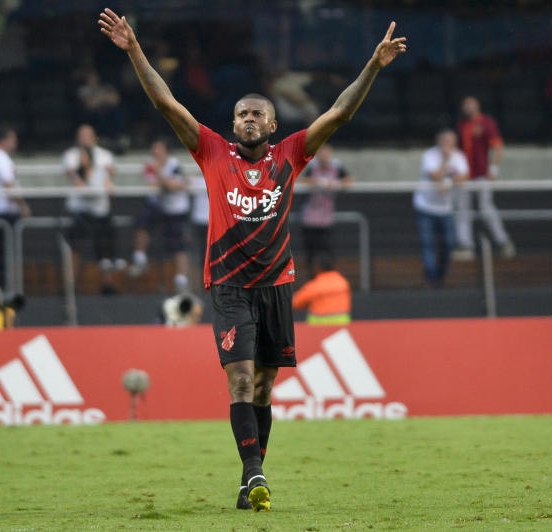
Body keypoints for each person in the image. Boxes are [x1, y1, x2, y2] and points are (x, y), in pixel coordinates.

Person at [99, 7, 406, 512]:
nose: (247, 120)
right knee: (240, 379)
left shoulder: (291, 154)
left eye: (256, 114)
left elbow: (339, 114)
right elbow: (165, 102)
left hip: (277, 286)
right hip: (228, 287)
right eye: (241, 114)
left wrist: (372, 66)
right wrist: (134, 49)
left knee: (264, 387)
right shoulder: (210, 151)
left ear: (272, 123)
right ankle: (254, 472)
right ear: (233, 123)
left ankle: (250, 481)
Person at [62, 124, 124, 294]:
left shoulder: (104, 155)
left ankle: (108, 284)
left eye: (88, 135)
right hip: (79, 211)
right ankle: (71, 285)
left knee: (105, 247)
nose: (85, 138)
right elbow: (74, 177)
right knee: (74, 245)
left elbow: (110, 177)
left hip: (101, 211)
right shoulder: (71, 155)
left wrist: (103, 179)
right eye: (81, 135)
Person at [454, 96, 514, 260]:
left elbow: (497, 146)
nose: (468, 108)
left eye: (470, 104)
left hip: (481, 175)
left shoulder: (486, 122)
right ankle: (465, 245)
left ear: (477, 106)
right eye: (465, 105)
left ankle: (503, 241)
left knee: (486, 208)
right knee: (462, 210)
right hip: (464, 176)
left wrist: (493, 169)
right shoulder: (461, 125)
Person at [129, 139, 191, 291]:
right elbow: (153, 184)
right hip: (160, 206)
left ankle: (181, 279)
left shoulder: (174, 164)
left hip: (177, 209)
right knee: (142, 221)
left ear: (166, 151)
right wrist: (164, 180)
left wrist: (160, 175)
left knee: (178, 245)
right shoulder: (150, 164)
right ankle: (140, 258)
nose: (155, 153)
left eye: (158, 149)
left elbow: (175, 185)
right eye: (153, 149)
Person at [413, 129, 468, 288]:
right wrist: (445, 159)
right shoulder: (430, 155)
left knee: (449, 243)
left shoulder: (459, 156)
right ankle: (431, 278)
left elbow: (465, 176)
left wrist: (449, 183)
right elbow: (435, 176)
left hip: (446, 208)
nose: (447, 145)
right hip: (426, 206)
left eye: (450, 142)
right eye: (444, 141)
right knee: (427, 243)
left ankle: (441, 274)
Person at [0, 126, 30, 290]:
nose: (15, 143)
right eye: (13, 139)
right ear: (4, 140)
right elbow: (8, 185)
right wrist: (22, 204)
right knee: (4, 252)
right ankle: (4, 287)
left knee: (6, 251)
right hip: (3, 211)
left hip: (4, 210)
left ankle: (6, 285)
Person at [298, 144, 353, 274]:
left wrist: (336, 184)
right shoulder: (311, 166)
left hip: (326, 219)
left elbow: (349, 180)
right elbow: (301, 180)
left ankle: (329, 277)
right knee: (310, 253)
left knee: (328, 252)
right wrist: (319, 183)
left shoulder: (336, 166)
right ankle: (312, 277)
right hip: (309, 219)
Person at [292, 255, 351, 325]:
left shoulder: (315, 286)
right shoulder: (343, 282)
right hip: (342, 326)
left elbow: (295, 302)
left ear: (317, 268)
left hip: (319, 327)